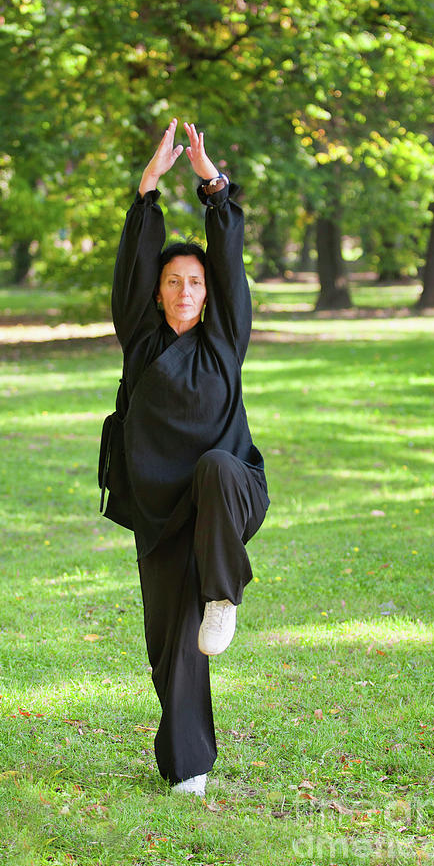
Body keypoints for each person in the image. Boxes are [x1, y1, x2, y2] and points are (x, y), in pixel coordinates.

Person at [108, 119, 269, 796]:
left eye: (195, 284)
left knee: (215, 465)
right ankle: (188, 768)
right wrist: (147, 189)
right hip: (160, 510)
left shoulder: (224, 339)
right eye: (173, 281)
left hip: (227, 499)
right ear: (158, 291)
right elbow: (132, 267)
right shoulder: (141, 341)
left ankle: (222, 593)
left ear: (210, 296)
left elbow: (228, 256)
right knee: (168, 645)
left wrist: (211, 186)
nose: (184, 292)